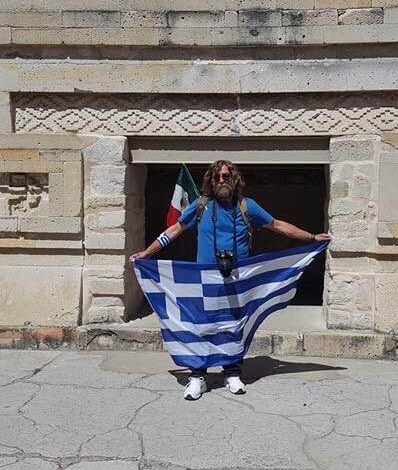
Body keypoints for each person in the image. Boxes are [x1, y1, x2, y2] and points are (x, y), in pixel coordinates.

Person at [130, 160, 330, 401]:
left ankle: (232, 372)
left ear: (235, 179)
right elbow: (174, 230)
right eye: (217, 177)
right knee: (201, 325)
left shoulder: (247, 206)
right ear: (211, 181)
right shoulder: (201, 205)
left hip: (238, 279)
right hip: (205, 280)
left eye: (226, 176)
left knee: (234, 325)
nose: (221, 180)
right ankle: (198, 376)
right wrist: (147, 253)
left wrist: (311, 237)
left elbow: (277, 225)